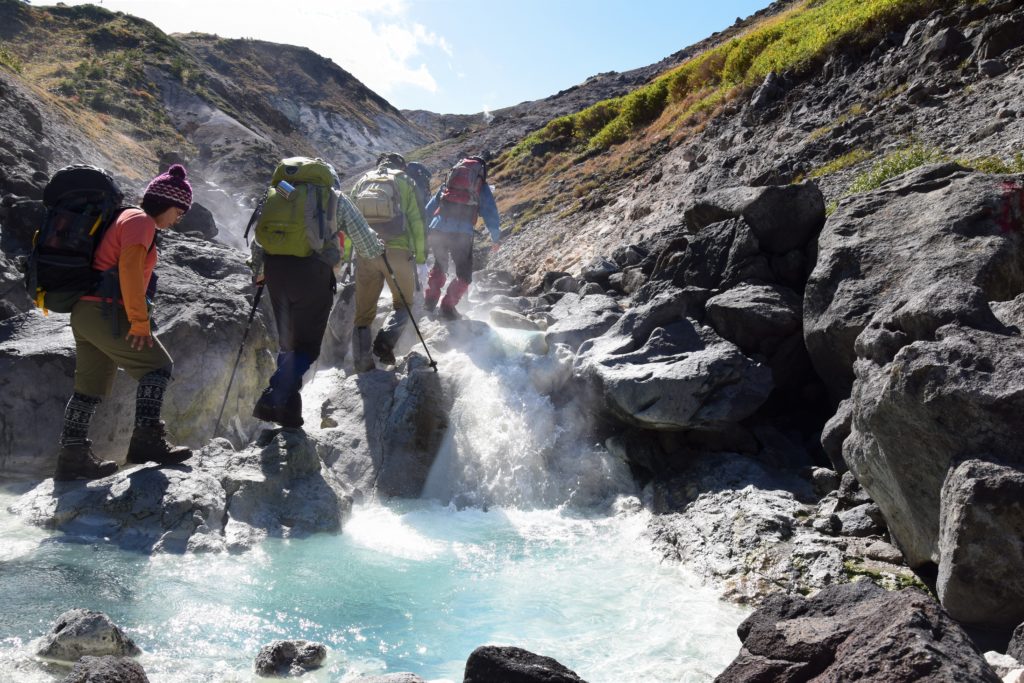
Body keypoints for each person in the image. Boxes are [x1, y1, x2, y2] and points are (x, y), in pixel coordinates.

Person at [54, 165, 194, 480]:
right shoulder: (141, 222)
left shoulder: (124, 218)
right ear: (168, 204)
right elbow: (130, 268)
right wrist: (139, 321)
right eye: (179, 212)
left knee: (88, 388)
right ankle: (146, 441)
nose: (177, 220)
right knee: (157, 367)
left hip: (86, 311)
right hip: (107, 311)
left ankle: (71, 457)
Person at [250, 159, 384, 428]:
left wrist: (258, 271)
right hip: (313, 275)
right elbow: (366, 243)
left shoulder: (278, 194)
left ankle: (288, 413)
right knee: (309, 348)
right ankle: (274, 394)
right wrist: (379, 248)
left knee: (289, 343)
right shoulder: (333, 197)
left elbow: (259, 239)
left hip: (276, 274)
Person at [350, 152, 426, 371]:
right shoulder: (405, 181)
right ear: (401, 166)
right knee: (404, 303)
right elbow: (417, 222)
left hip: (365, 253)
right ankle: (385, 343)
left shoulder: (361, 182)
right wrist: (420, 259)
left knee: (363, 312)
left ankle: (362, 366)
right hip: (397, 252)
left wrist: (348, 256)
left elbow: (349, 220)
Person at [423, 153, 501, 319]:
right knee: (464, 275)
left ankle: (429, 302)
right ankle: (447, 307)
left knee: (439, 265)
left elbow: (429, 209)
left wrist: (426, 230)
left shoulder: (449, 184)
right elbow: (490, 213)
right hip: (461, 234)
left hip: (437, 229)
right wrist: (496, 238)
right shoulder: (480, 187)